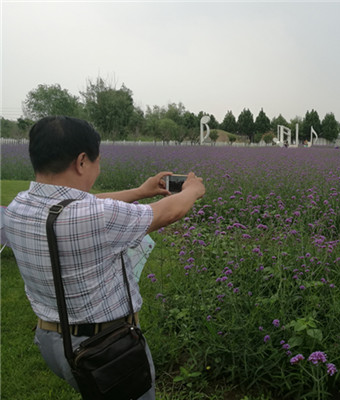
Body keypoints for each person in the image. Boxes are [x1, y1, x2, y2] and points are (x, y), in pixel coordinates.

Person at [3, 116, 206, 399]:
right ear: (82, 161)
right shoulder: (97, 218)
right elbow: (168, 211)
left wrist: (140, 192)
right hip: (106, 347)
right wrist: (193, 190)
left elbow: (82, 204)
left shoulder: (16, 207)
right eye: (98, 161)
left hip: (51, 340)